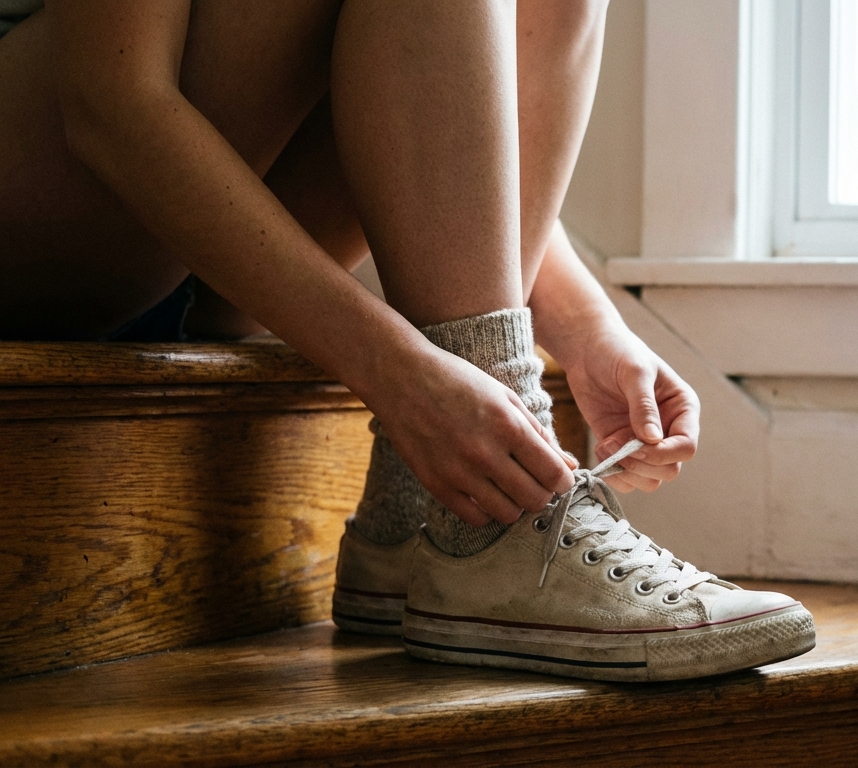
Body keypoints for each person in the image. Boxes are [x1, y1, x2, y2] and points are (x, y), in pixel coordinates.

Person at [0, 0, 814, 681]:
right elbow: (112, 105)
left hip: (195, 236)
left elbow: (442, 95)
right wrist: (398, 374)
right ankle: (485, 524)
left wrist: (583, 326)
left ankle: (417, 514)